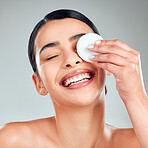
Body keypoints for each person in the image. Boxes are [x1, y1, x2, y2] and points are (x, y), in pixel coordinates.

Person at [0, 9, 148, 148]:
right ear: (39, 84)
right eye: (52, 56)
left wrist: (135, 95)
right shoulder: (13, 141)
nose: (71, 60)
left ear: (107, 60)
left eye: (82, 48)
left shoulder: (139, 142)